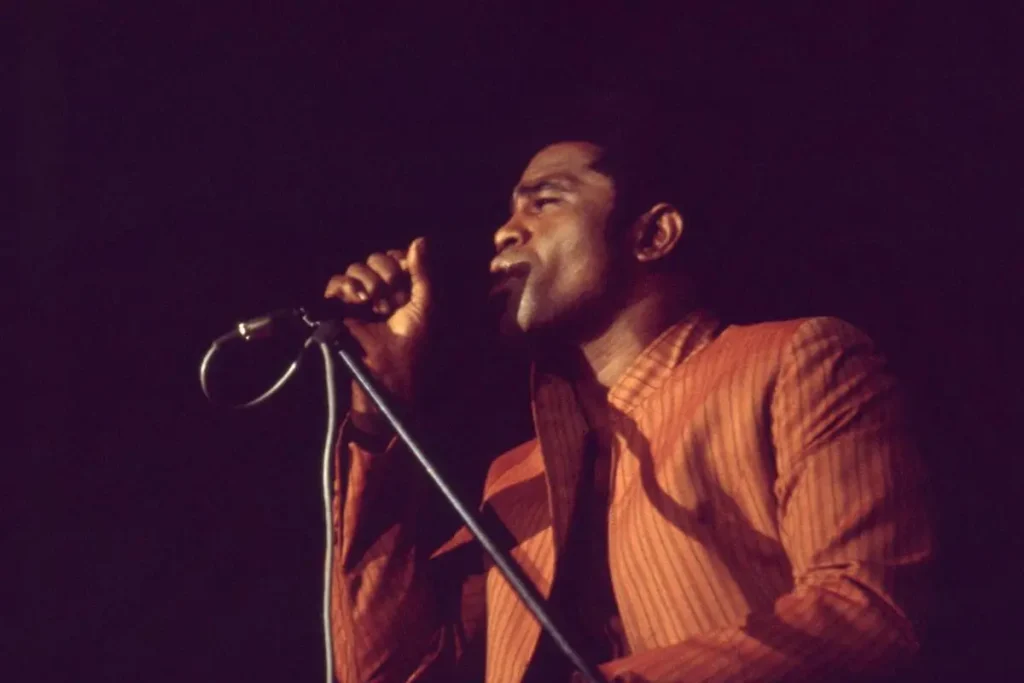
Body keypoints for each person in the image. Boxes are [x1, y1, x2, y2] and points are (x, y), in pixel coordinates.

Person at [322, 128, 933, 682]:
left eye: (545, 201)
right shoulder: (514, 480)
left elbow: (868, 613)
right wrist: (381, 404)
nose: (506, 230)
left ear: (651, 235)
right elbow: (388, 673)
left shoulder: (796, 361)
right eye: (510, 210)